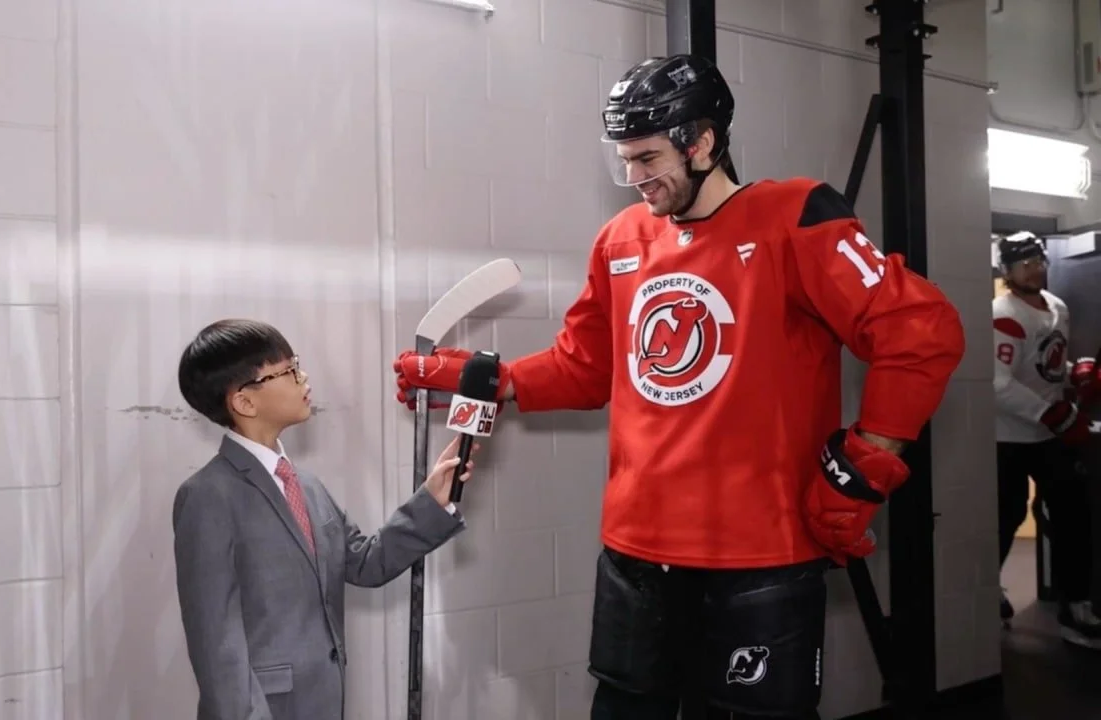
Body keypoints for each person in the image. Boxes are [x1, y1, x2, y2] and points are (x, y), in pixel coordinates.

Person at [390, 55, 965, 719]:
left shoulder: (796, 217)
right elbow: (585, 367)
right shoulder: (621, 240)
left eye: (647, 158)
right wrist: (489, 379)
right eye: (623, 161)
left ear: (702, 142)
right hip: (636, 553)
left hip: (761, 553)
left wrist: (864, 468)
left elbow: (921, 332)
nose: (634, 178)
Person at [173, 319, 477, 720]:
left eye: (297, 365)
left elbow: (365, 562)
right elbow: (216, 649)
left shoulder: (305, 485)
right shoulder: (207, 496)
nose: (303, 377)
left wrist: (433, 500)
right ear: (244, 402)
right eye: (288, 371)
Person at [991, 232, 1101, 647]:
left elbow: (1046, 365)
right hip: (1008, 437)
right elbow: (998, 383)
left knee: (1074, 514)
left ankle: (1076, 604)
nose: (1035, 269)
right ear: (1007, 270)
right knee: (1005, 516)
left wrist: (1075, 372)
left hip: (1049, 433)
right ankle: (986, 589)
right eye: (1025, 264)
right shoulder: (1002, 315)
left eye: (1038, 261)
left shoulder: (1057, 307)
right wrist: (1050, 413)